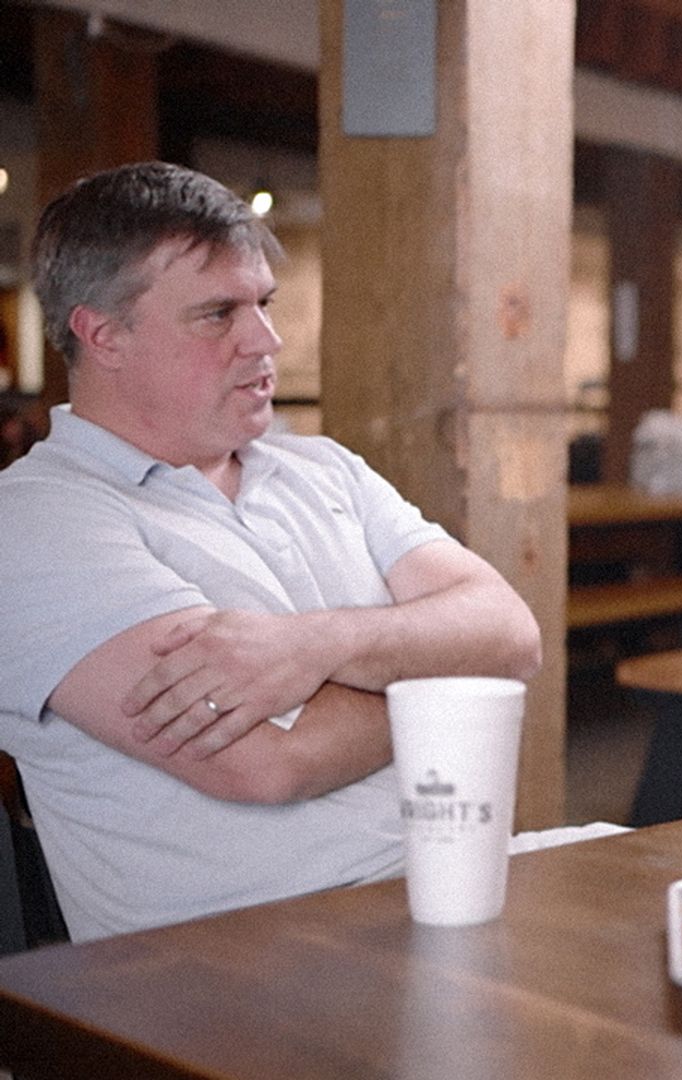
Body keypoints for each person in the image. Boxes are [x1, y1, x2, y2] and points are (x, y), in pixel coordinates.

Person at [0, 161, 544, 942]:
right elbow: (267, 766)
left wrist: (311, 646)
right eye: (218, 314)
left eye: (264, 304)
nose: (267, 340)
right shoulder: (34, 522)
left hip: (451, 894)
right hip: (246, 965)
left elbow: (511, 632)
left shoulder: (321, 467)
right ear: (104, 335)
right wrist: (442, 672)